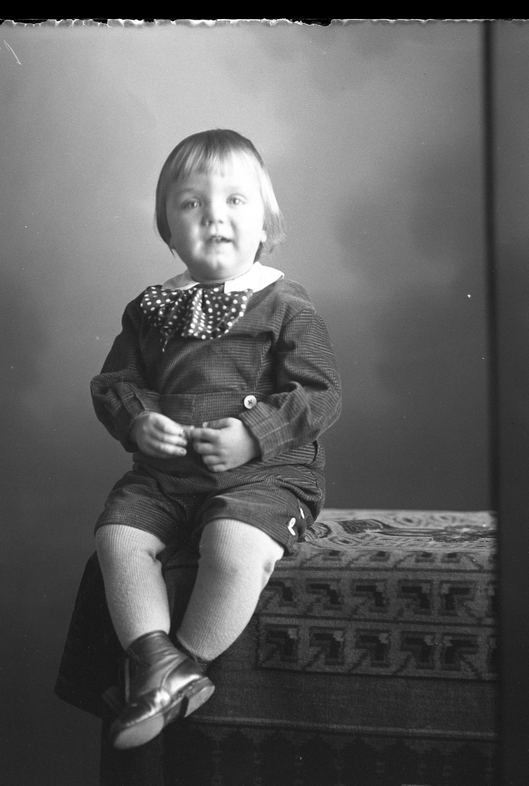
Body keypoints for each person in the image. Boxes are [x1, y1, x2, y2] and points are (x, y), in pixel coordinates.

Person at [92, 129, 342, 750]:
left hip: (264, 478)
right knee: (118, 536)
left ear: (264, 224)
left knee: (231, 546)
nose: (214, 215)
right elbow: (116, 382)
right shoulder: (151, 307)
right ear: (168, 229)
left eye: (235, 200)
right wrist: (140, 420)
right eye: (191, 203)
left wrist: (254, 436)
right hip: (166, 479)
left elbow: (321, 393)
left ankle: (186, 662)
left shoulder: (286, 305)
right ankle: (158, 661)